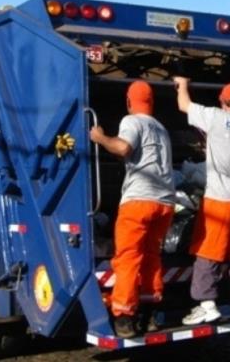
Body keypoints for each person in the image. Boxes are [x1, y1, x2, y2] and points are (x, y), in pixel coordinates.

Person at [89, 80, 175, 338]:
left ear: (129, 102)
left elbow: (123, 148)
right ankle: (149, 317)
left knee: (128, 258)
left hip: (139, 201)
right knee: (151, 257)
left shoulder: (132, 121)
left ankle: (124, 318)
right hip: (165, 203)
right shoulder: (162, 129)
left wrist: (100, 137)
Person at [173, 77, 230, 324]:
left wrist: (182, 85)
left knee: (209, 250)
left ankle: (207, 304)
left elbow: (184, 105)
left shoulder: (216, 117)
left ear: (223, 101)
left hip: (220, 198)